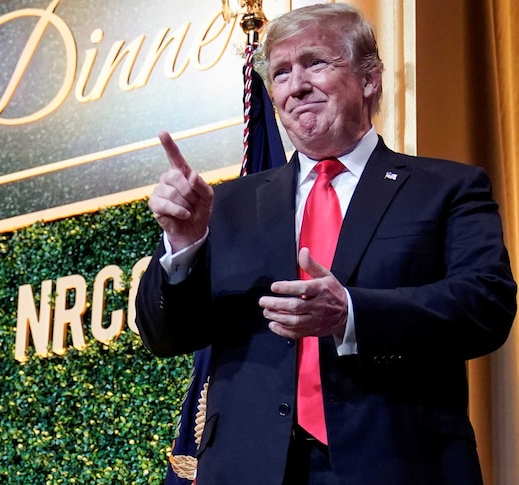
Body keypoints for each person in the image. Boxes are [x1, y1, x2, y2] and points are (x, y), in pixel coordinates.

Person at [135, 3, 516, 484]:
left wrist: (351, 313)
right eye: (280, 73)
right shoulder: (226, 205)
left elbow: (486, 305)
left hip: (400, 463)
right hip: (249, 468)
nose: (296, 86)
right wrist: (183, 245)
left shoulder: (446, 188)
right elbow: (165, 335)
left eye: (315, 62)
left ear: (370, 79)